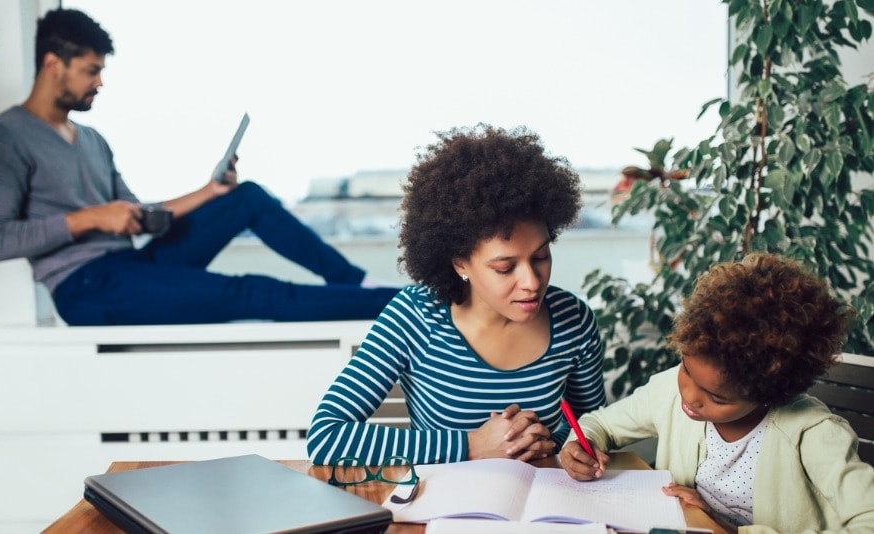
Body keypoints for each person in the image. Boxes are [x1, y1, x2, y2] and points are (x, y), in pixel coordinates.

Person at [0, 8, 399, 326]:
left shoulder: (92, 140)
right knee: (250, 290)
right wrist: (92, 218)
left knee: (245, 196)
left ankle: (358, 282)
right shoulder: (4, 138)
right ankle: (400, 306)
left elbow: (137, 216)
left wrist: (208, 193)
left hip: (131, 265)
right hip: (86, 289)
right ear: (52, 64)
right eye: (90, 71)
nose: (100, 82)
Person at [307, 124, 606, 466]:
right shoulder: (415, 316)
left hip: (545, 507)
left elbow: (594, 428)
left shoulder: (574, 320)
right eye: (505, 267)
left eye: (540, 257)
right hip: (445, 512)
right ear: (461, 263)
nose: (532, 282)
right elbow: (326, 436)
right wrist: (473, 444)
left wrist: (565, 447)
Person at [559, 253, 874, 533]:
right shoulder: (670, 391)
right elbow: (601, 424)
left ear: (771, 393)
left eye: (718, 398)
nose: (690, 395)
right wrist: (581, 445)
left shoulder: (813, 434)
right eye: (686, 369)